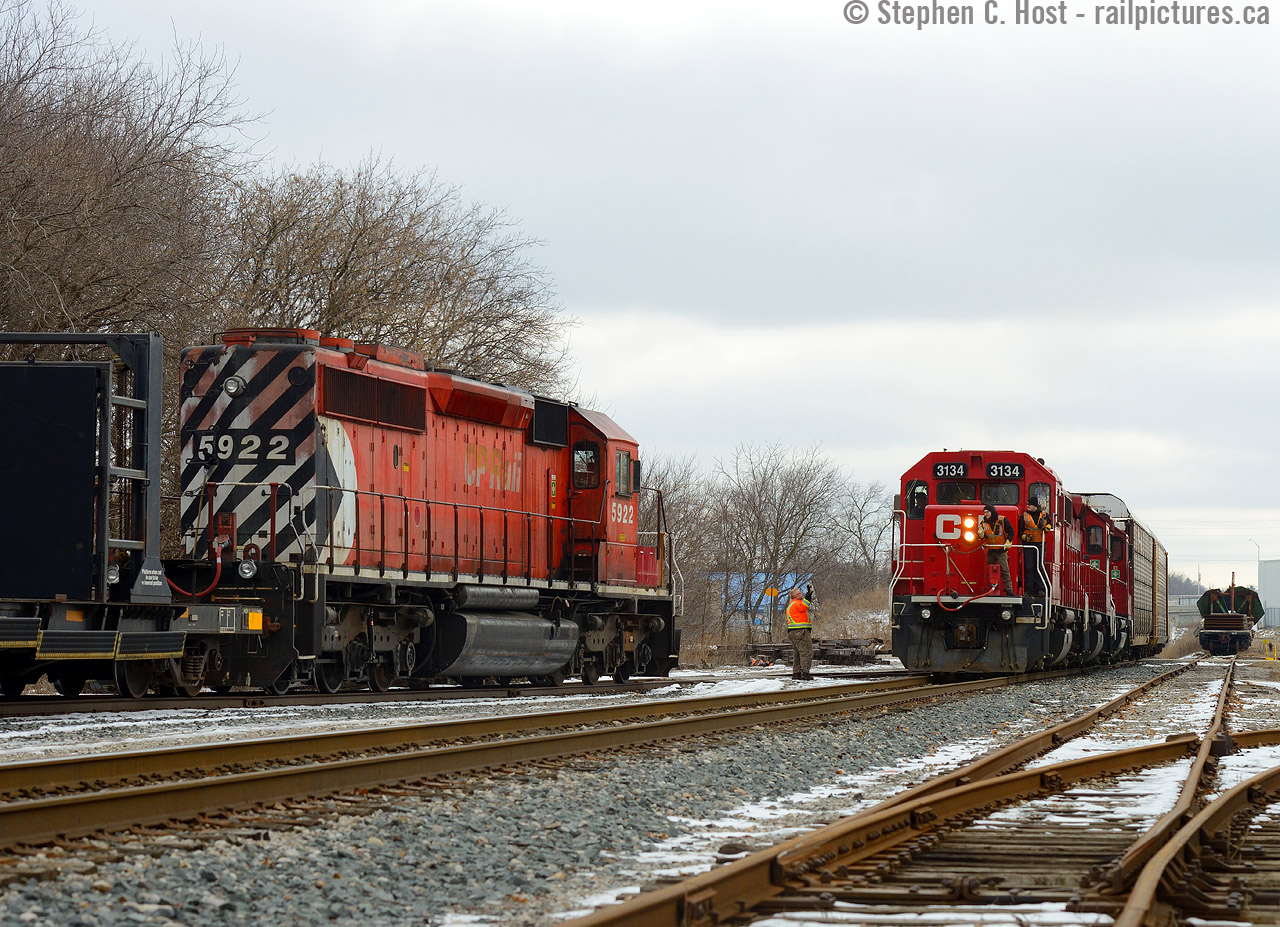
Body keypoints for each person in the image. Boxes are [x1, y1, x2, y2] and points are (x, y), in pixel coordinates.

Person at [977, 503, 1015, 596]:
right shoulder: (983, 523)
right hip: (991, 550)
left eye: (987, 512)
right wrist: (980, 534)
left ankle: (1009, 590)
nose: (986, 514)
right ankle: (992, 588)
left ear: (992, 512)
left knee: (1004, 569)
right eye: (984, 512)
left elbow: (1011, 531)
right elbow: (981, 537)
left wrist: (1008, 542)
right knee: (990, 570)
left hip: (1001, 550)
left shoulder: (1002, 520)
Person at [1020, 498, 1052, 598]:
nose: (1028, 506)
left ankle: (1040, 589)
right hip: (1028, 545)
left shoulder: (1044, 515)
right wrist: (1024, 537)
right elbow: (1020, 531)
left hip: (1040, 544)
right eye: (1027, 504)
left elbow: (1050, 524)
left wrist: (1046, 528)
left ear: (1035, 505)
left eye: (1030, 504)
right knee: (1029, 567)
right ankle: (1029, 590)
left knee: (1039, 567)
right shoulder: (1023, 516)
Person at [785, 586, 814, 680]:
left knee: (797, 653)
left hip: (793, 633)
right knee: (806, 652)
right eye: (799, 593)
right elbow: (804, 606)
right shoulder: (797, 604)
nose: (801, 594)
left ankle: (796, 673)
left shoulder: (791, 605)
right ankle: (805, 674)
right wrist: (808, 595)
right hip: (800, 632)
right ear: (796, 596)